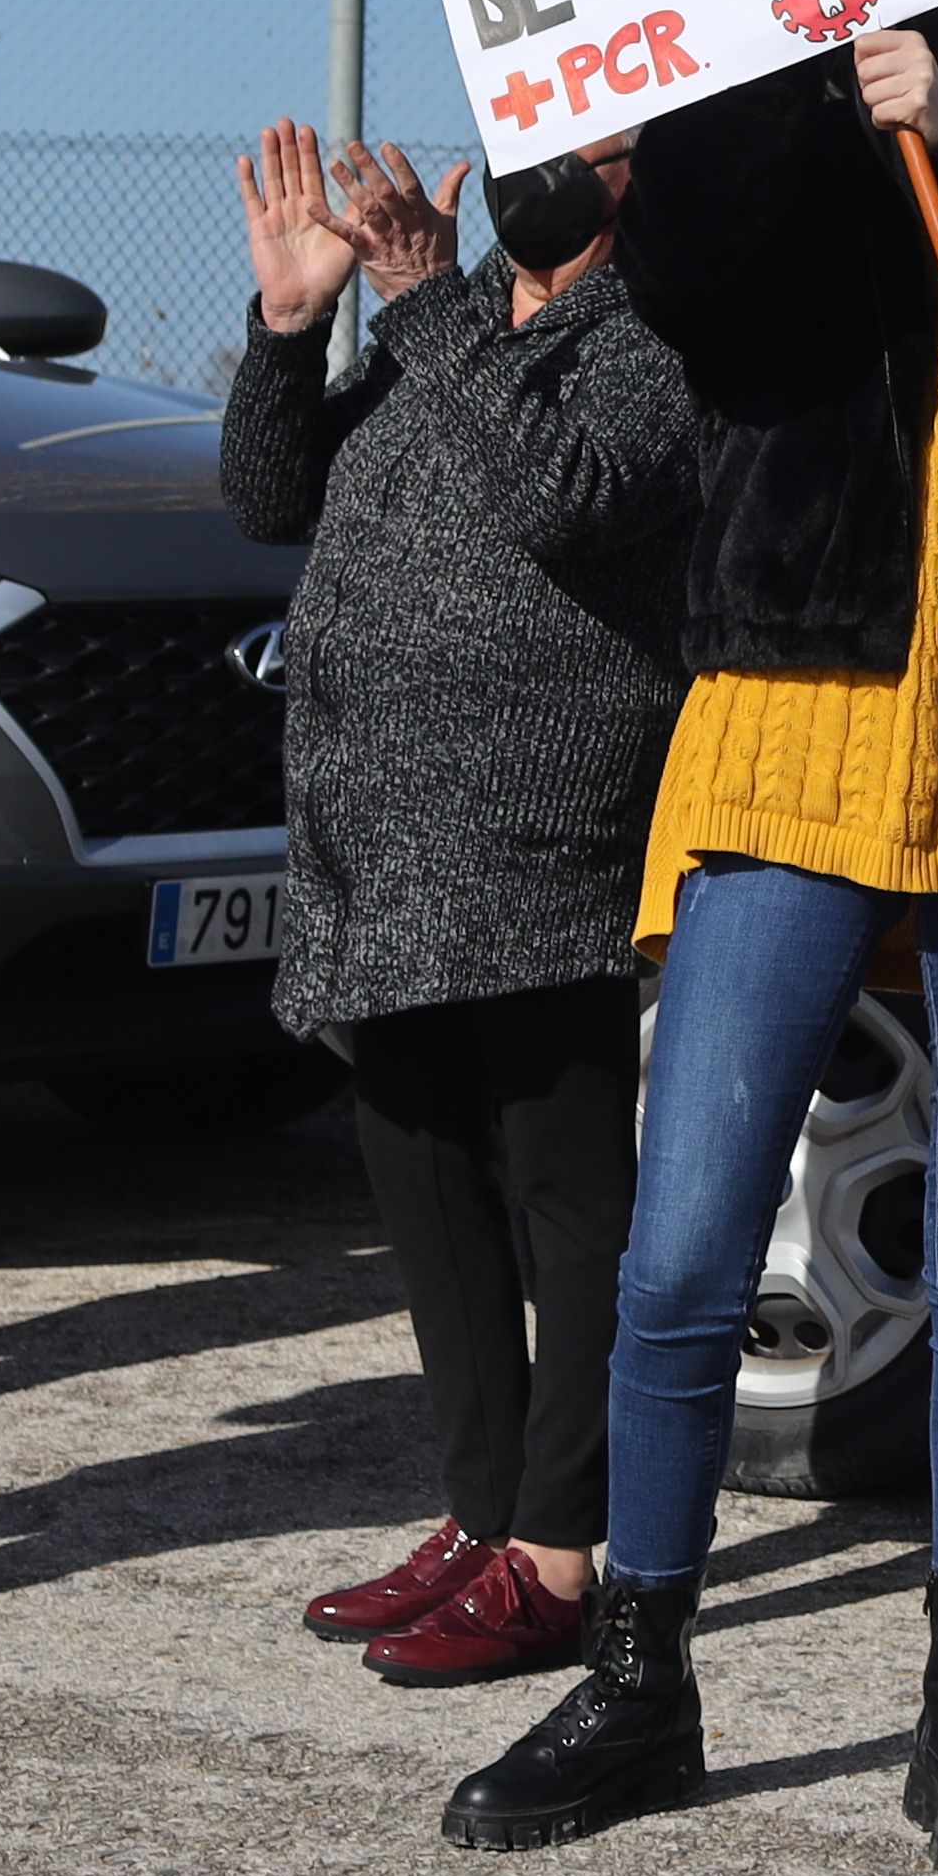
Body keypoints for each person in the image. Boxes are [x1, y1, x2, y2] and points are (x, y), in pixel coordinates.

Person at [446, 0, 938, 1876]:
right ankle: (641, 1677)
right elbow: (698, 291)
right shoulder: (757, 90)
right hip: (792, 721)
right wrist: (801, 90)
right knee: (685, 1243)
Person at [222, 113, 693, 1684]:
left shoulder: (666, 328)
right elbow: (270, 498)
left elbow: (565, 494)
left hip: (536, 825)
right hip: (377, 826)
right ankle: (483, 1516)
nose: (537, 157)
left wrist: (424, 306)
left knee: (565, 1193)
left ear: (650, 167)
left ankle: (564, 1554)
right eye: (529, 124)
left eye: (590, 134)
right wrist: (295, 330)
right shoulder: (463, 304)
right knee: (422, 1170)